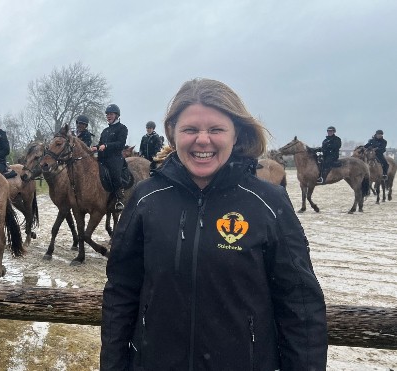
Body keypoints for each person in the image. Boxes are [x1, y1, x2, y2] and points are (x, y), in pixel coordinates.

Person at [100, 78, 327, 370]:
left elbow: (301, 306)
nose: (202, 140)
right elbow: (121, 291)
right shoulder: (146, 198)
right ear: (173, 133)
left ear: (236, 134)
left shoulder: (269, 202)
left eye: (216, 129)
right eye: (190, 129)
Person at [91, 104, 128, 211]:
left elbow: (120, 144)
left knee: (115, 175)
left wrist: (106, 146)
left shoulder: (122, 128)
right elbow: (101, 144)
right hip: (102, 158)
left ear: (116, 115)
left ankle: (119, 199)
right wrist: (95, 147)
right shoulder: (105, 131)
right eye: (107, 114)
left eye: (111, 114)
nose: (108, 116)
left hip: (115, 158)